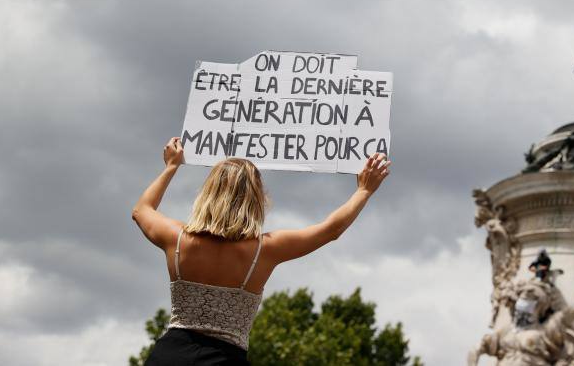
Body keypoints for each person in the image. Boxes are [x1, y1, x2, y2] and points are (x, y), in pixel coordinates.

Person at [132, 137, 391, 365]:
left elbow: (141, 210)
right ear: (256, 199)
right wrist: (364, 190)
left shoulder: (177, 238)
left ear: (208, 192)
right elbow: (330, 230)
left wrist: (171, 167)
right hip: (224, 359)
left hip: (169, 355)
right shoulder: (264, 250)